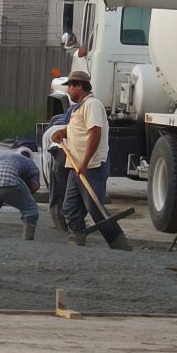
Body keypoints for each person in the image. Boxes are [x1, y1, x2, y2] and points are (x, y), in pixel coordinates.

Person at [50, 70, 131, 250]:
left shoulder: (92, 105)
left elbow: (95, 132)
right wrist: (61, 133)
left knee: (95, 209)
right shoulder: (78, 108)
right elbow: (77, 131)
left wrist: (85, 163)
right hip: (75, 166)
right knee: (70, 207)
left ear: (79, 86)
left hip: (91, 166)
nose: (68, 91)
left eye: (70, 87)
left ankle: (119, 244)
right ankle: (76, 241)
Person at [0, 147, 40, 240]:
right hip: (10, 181)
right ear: (30, 157)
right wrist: (25, 195)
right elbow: (34, 186)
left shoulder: (2, 157)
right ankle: (28, 239)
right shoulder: (30, 163)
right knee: (31, 210)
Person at [42, 108, 75, 233]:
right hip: (64, 154)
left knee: (57, 193)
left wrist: (50, 182)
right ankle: (71, 226)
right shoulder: (63, 130)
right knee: (70, 192)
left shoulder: (49, 132)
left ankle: (63, 228)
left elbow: (46, 163)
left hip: (60, 155)